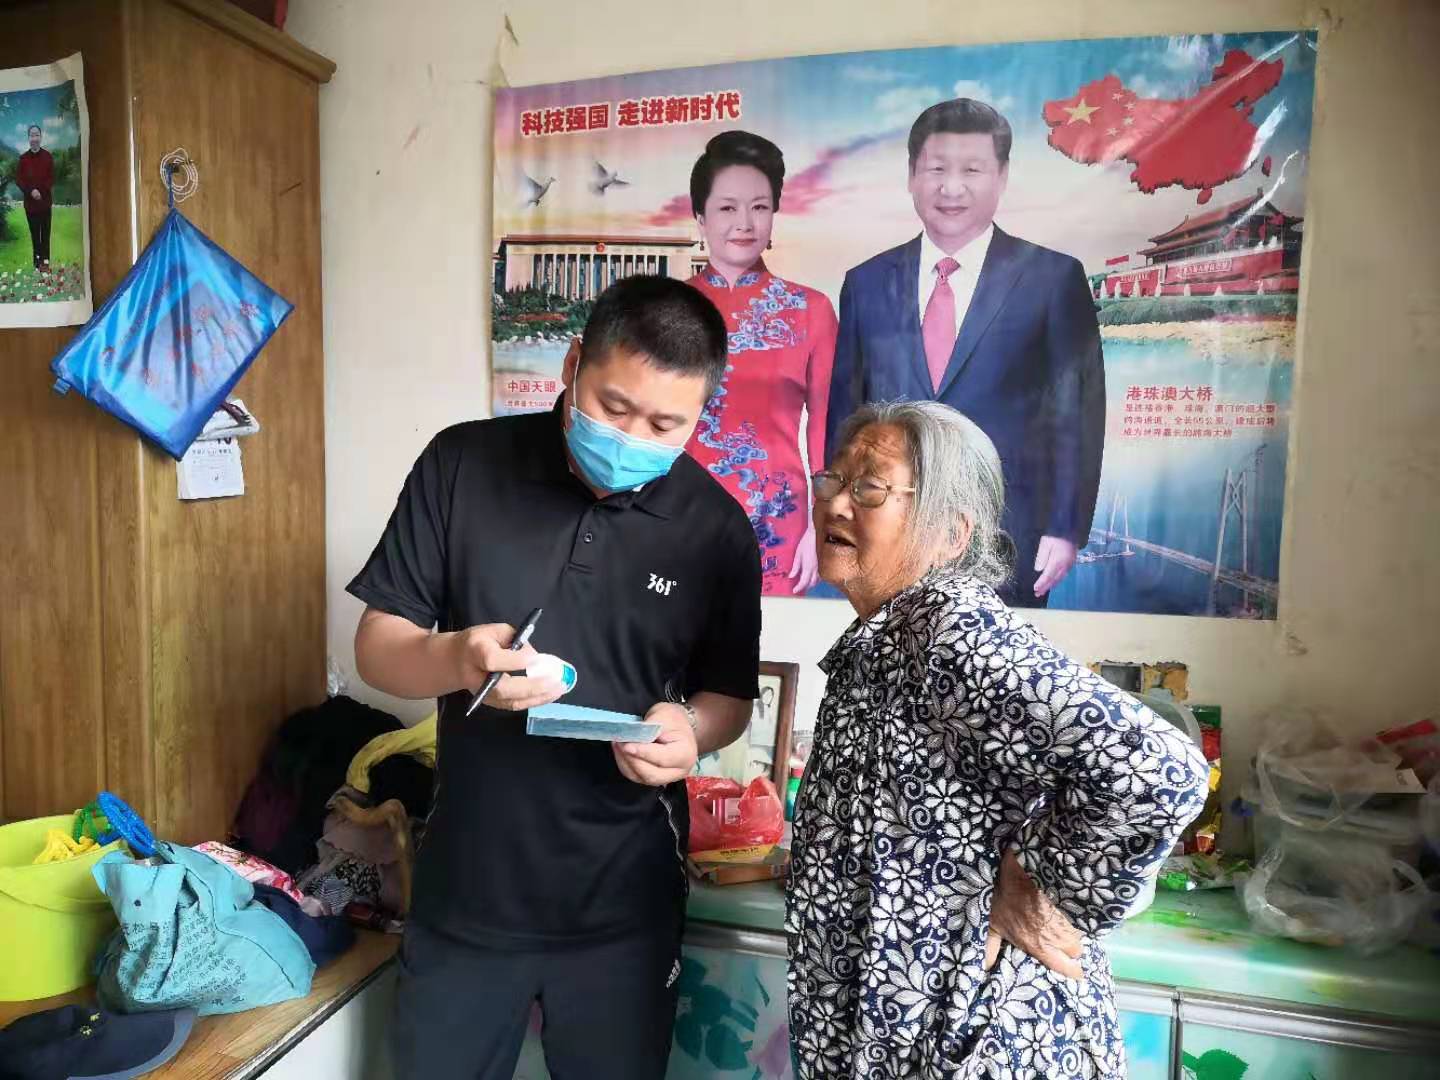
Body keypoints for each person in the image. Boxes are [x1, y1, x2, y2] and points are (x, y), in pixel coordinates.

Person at [349, 275, 762, 1080]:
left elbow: (729, 699)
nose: (633, 438)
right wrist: (457, 656)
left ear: (699, 416)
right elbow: (378, 646)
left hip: (626, 909)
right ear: (573, 365)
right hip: (467, 892)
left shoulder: (716, 529)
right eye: (614, 407)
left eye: (665, 425)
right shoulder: (463, 464)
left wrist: (691, 730)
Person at [788, 400, 1208, 1078]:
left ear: (951, 534)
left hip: (979, 1037)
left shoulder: (950, 629)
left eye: (869, 487)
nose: (835, 503)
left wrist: (1045, 883)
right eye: (834, 479)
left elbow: (1158, 769)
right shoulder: (891, 634)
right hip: (904, 1033)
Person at [826, 99, 1105, 609]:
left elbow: (1076, 413)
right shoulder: (865, 283)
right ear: (912, 176)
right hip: (886, 527)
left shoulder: (1052, 278)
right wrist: (837, 511)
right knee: (886, 652)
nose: (951, 188)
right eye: (936, 169)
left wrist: (1065, 527)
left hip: (1008, 530)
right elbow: (846, 413)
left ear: (1002, 176)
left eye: (972, 170)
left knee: (995, 659)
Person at [686, 130, 838, 597]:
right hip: (679, 515)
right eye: (727, 208)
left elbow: (826, 429)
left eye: (759, 207)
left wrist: (821, 525)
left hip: (778, 522)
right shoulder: (668, 308)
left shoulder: (811, 310)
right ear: (701, 217)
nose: (744, 223)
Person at [16, 124, 54, 270]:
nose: (34, 138)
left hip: (45, 204)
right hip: (30, 207)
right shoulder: (23, 159)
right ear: (28, 138)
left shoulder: (48, 157)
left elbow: (51, 178)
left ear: (40, 137)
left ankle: (46, 265)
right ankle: (37, 266)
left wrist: (41, 191)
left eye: (37, 135)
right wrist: (31, 191)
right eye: (32, 135)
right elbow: (19, 180)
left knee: (45, 236)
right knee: (35, 237)